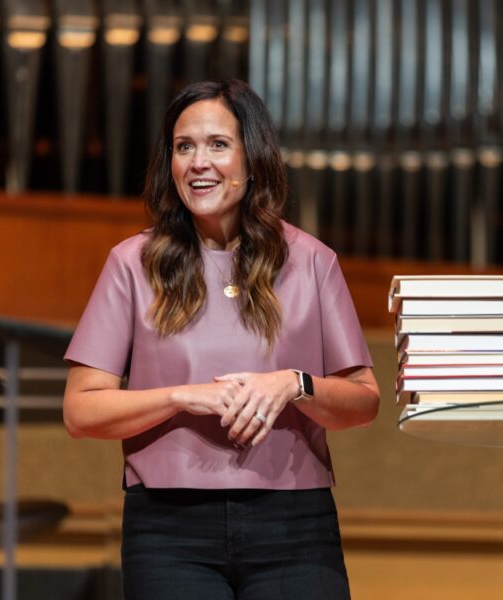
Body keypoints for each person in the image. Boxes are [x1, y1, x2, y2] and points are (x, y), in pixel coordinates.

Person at [62, 79, 380, 599]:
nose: (198, 162)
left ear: (252, 159)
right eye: (183, 147)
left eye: (218, 145)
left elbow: (364, 402)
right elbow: (80, 411)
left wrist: (295, 384)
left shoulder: (313, 261)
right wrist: (181, 396)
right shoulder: (131, 264)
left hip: (295, 527)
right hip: (168, 530)